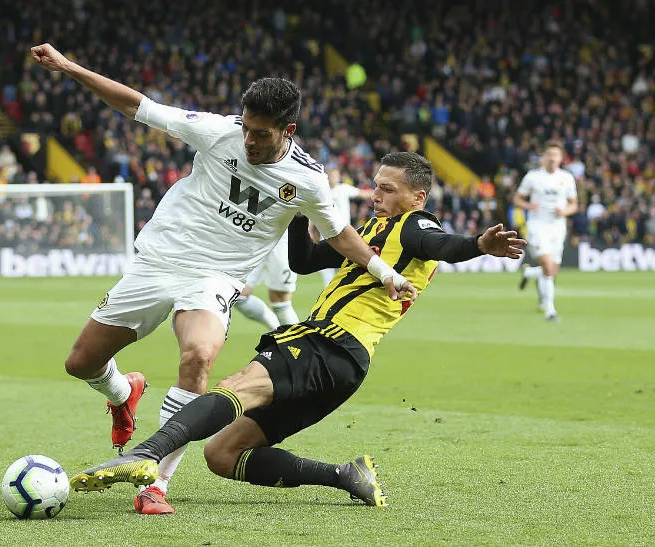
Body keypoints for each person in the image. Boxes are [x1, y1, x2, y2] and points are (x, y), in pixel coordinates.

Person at [30, 44, 415, 515]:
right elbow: (138, 106)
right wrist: (68, 67)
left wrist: (385, 273)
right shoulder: (218, 132)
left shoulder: (308, 179)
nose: (248, 140)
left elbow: (339, 235)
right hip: (158, 260)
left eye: (261, 134)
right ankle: (123, 394)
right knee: (81, 363)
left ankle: (155, 485)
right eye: (246, 128)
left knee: (198, 355)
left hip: (214, 277)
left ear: (288, 131)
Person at [68, 152, 525, 509]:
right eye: (375, 186)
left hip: (329, 343)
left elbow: (441, 243)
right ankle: (346, 475)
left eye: (388, 189)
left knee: (235, 387)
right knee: (223, 455)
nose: (375, 195)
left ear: (418, 197)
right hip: (345, 368)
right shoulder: (373, 230)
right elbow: (304, 261)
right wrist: (297, 206)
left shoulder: (414, 225)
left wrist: (478, 244)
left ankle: (146, 454)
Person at [513, 142, 578, 322]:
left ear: (561, 158)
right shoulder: (533, 177)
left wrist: (564, 211)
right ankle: (550, 311)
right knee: (548, 267)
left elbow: (574, 204)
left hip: (558, 228)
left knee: (552, 271)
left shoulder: (567, 178)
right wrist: (529, 206)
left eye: (555, 155)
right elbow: (517, 199)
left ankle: (529, 273)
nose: (552, 158)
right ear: (544, 157)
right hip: (538, 226)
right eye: (549, 154)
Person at [234, 232, 298, 331]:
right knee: (238, 294)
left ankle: (295, 338)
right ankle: (277, 330)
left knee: (280, 299)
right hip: (252, 237)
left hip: (281, 237)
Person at [320, 168, 373, 285]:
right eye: (331, 176)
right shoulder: (322, 191)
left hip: (343, 233)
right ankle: (329, 290)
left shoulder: (343, 189)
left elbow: (362, 194)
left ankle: (343, 288)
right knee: (326, 267)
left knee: (345, 264)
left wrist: (379, 192)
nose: (333, 178)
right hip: (325, 233)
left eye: (335, 176)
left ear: (339, 177)